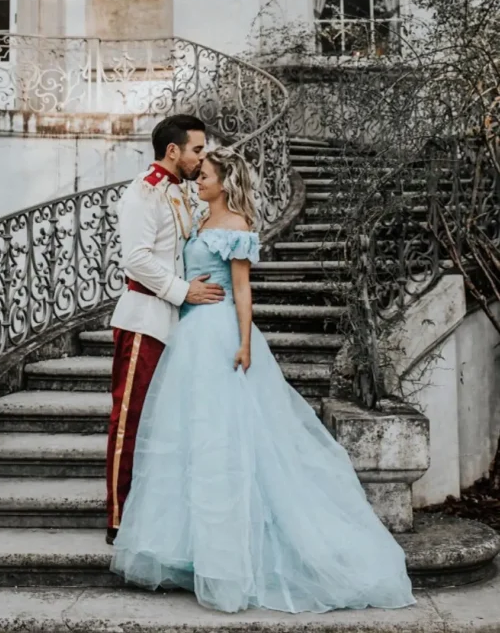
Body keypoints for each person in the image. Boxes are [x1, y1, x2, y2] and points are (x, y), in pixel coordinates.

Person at [111, 147, 416, 615]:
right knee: (194, 440)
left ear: (224, 181)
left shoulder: (234, 227)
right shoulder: (198, 220)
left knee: (225, 438)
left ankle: (231, 559)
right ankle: (194, 551)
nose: (199, 179)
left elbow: (241, 289)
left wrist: (245, 343)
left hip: (218, 335)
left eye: (206, 174)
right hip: (190, 333)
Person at [105, 114, 225, 547]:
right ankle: (118, 518)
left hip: (177, 326)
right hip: (144, 321)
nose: (201, 157)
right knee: (130, 421)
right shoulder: (144, 192)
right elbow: (136, 259)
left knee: (167, 424)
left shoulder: (180, 194)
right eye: (197, 149)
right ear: (172, 151)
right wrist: (183, 291)